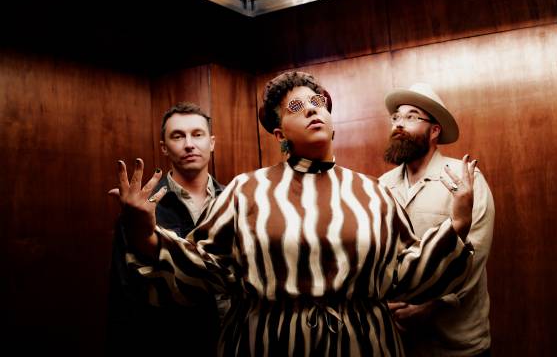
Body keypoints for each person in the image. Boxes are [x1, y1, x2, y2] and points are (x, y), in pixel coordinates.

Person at [112, 71, 479, 356]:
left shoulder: (374, 193)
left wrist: (458, 223)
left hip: (364, 345)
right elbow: (204, 269)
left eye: (318, 102)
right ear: (278, 133)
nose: (312, 109)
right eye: (295, 108)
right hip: (268, 345)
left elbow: (405, 273)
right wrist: (146, 236)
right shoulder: (246, 191)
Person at [379, 83, 495, 357]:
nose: (399, 124)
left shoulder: (464, 177)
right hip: (401, 342)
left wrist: (432, 306)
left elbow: (475, 252)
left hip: (458, 343)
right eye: (396, 117)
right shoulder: (382, 186)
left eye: (411, 117)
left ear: (434, 131)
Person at [106, 102, 225, 356]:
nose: (189, 144)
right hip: (167, 343)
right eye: (178, 136)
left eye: (197, 134)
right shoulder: (143, 208)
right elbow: (123, 295)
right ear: (164, 147)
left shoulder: (235, 201)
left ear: (211, 142)